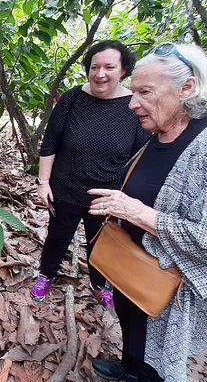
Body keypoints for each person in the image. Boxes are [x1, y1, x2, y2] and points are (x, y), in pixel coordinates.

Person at [87, 43, 207, 382]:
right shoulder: (165, 126)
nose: (133, 103)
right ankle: (129, 367)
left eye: (145, 92)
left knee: (159, 359)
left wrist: (140, 214)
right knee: (134, 330)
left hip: (170, 284)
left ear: (187, 88)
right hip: (132, 264)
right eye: (134, 91)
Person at [31, 40, 151, 304]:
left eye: (109, 67)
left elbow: (142, 154)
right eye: (95, 66)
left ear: (123, 71)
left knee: (103, 242)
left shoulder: (134, 106)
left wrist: (131, 199)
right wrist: (43, 183)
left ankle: (100, 285)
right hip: (65, 187)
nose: (100, 73)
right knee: (58, 236)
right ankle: (46, 275)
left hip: (108, 195)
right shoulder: (73, 99)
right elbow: (50, 142)